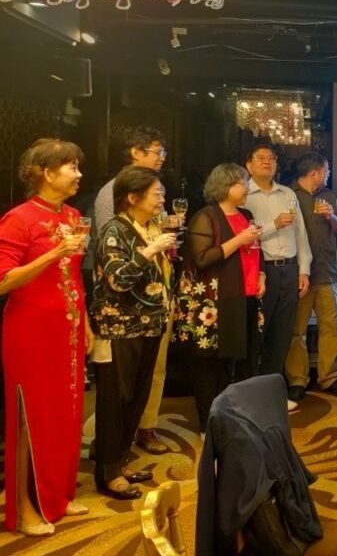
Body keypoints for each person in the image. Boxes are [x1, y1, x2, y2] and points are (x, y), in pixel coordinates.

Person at [0, 139, 92, 535]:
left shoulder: (72, 215)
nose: (79, 174)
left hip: (66, 330)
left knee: (65, 413)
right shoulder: (19, 219)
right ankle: (24, 509)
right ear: (46, 172)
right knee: (30, 418)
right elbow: (4, 280)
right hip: (31, 331)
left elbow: (73, 277)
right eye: (71, 167)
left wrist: (85, 323)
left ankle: (56, 497)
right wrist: (52, 254)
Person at [91, 166, 177, 500]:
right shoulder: (115, 230)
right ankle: (108, 473)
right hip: (120, 328)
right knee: (116, 401)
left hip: (149, 325)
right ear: (132, 197)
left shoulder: (147, 227)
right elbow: (118, 280)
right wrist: (151, 251)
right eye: (157, 193)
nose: (162, 200)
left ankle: (121, 462)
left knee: (137, 398)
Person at [176, 163, 265, 431]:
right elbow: (202, 258)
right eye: (242, 182)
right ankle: (209, 424)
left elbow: (256, 251)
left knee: (238, 361)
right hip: (214, 302)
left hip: (245, 296)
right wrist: (239, 239)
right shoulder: (205, 217)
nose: (246, 187)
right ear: (224, 186)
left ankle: (235, 418)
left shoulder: (246, 214)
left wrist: (262, 277)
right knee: (210, 365)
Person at [243, 142, 312, 378]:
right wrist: (274, 224)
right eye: (260, 157)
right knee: (257, 332)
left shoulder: (288, 194)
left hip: (290, 270)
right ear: (248, 165)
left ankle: (273, 386)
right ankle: (252, 386)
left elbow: (300, 233)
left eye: (271, 158)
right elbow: (243, 236)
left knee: (283, 333)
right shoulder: (244, 196)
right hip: (262, 272)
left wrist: (304, 270)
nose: (267, 161)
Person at [286, 152, 337, 401]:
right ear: (314, 172)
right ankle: (297, 379)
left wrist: (331, 217)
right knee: (296, 330)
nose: (328, 174)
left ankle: (329, 377)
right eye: (326, 170)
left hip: (327, 271)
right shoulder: (288, 195)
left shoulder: (328, 195)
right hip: (298, 274)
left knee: (332, 327)